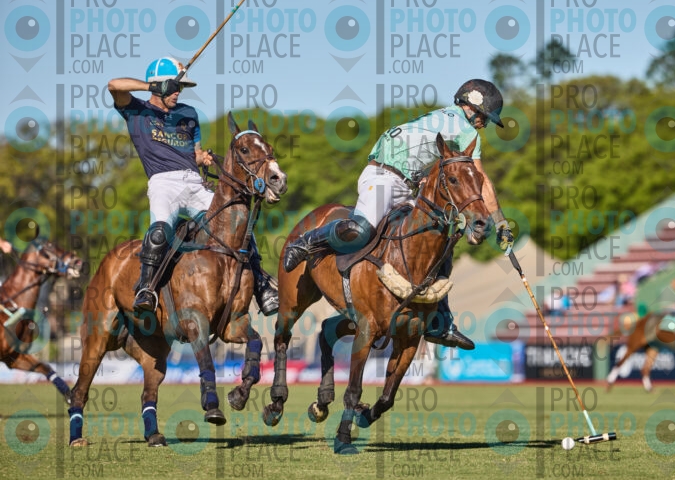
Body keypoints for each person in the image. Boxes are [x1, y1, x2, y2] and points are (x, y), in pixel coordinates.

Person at [282, 79, 514, 350]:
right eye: (484, 117)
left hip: (405, 185)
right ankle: (308, 241)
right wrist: (500, 223)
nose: (484, 125)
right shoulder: (465, 130)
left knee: (436, 245)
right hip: (382, 177)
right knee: (361, 229)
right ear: (471, 106)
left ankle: (441, 321)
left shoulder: (444, 118)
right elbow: (481, 180)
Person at [108, 57, 278, 315]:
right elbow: (113, 85)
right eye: (174, 87)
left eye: (180, 88)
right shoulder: (137, 110)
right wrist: (151, 87)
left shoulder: (188, 113)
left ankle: (262, 286)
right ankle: (146, 288)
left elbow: (193, 153)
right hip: (163, 183)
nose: (178, 92)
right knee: (159, 232)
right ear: (160, 85)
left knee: (238, 223)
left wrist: (202, 157)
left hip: (194, 182)